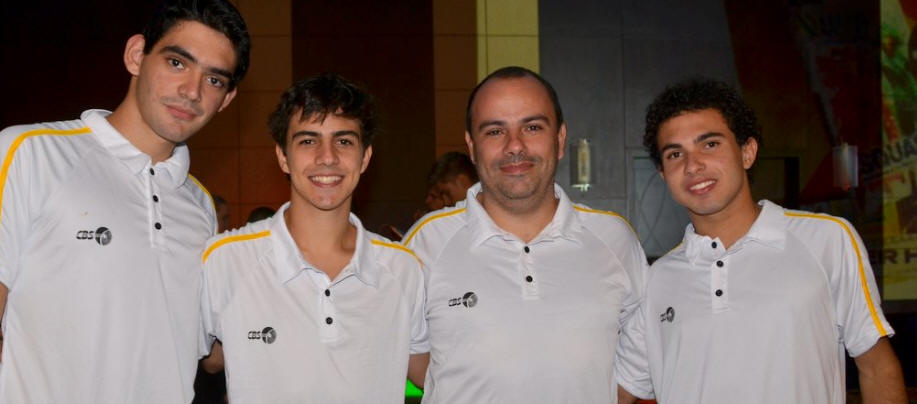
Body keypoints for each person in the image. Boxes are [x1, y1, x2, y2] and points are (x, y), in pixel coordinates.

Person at [0, 0, 250, 402]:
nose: (191, 91)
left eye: (214, 80)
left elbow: (210, 353)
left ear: (227, 98)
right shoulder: (31, 154)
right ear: (136, 55)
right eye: (176, 63)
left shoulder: (201, 207)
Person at [615, 78, 907, 403]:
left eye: (709, 144)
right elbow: (619, 389)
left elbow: (877, 368)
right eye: (674, 154)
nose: (692, 165)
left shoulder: (826, 240)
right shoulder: (657, 279)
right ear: (663, 174)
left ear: (747, 152)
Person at [403, 66, 648, 403]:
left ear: (560, 139)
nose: (515, 146)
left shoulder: (614, 239)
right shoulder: (426, 242)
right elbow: (411, 353)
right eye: (494, 131)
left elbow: (644, 345)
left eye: (532, 127)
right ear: (472, 147)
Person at [199, 74, 428, 402]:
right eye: (308, 141)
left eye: (344, 141)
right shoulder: (224, 260)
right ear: (283, 156)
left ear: (364, 157)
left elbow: (436, 372)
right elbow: (204, 360)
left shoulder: (403, 268)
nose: (327, 157)